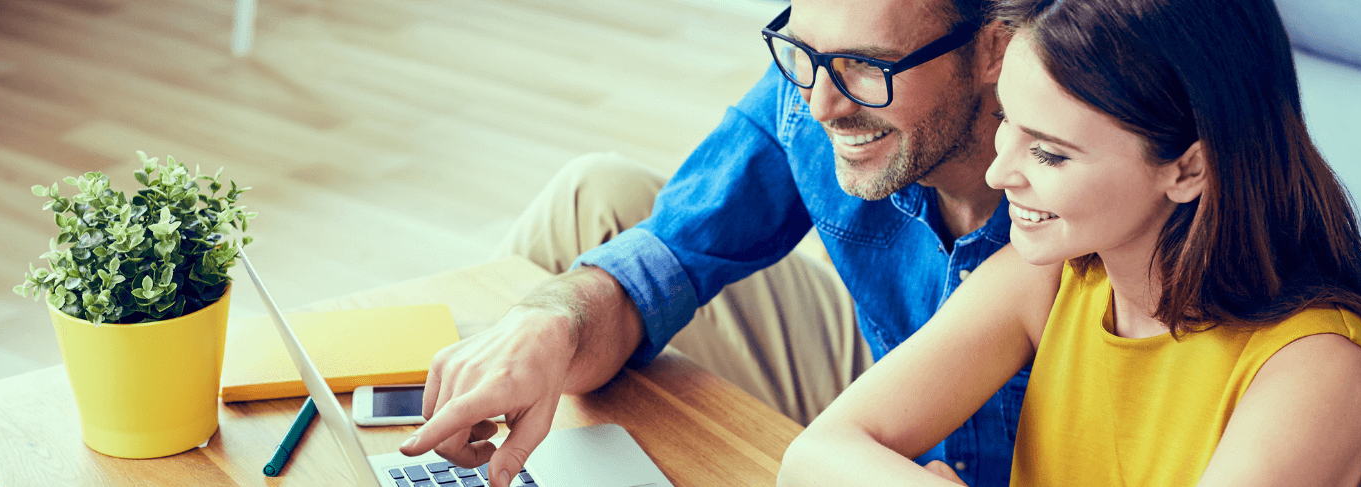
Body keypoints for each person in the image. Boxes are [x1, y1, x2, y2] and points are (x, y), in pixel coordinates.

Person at [395, 1, 1031, 486]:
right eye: (803, 52)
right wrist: (552, 321)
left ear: (992, 50)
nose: (821, 105)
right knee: (596, 196)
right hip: (888, 382)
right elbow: (673, 249)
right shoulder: (810, 85)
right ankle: (476, 422)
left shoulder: (1085, 173)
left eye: (867, 64)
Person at [777, 0, 1361, 484]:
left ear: (1189, 168)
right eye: (1008, 125)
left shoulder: (1316, 373)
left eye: (1050, 153)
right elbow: (815, 455)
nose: (1000, 174)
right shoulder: (1051, 280)